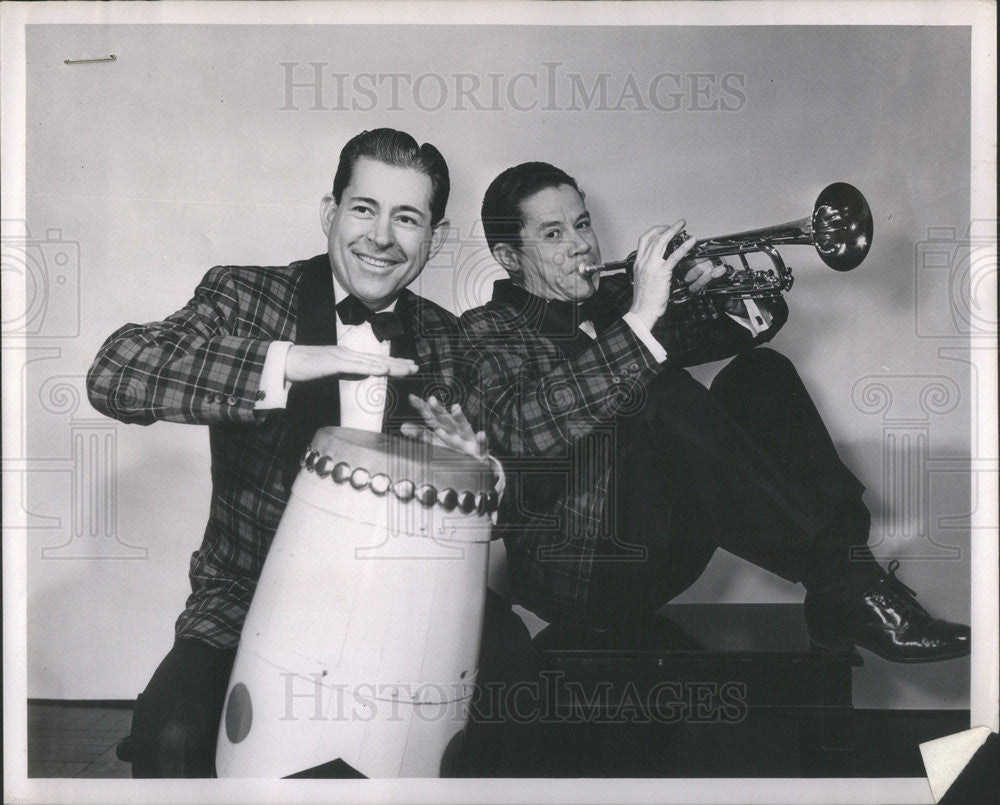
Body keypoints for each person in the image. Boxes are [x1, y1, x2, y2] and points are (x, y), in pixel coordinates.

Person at [86, 129, 535, 777]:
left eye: (406, 217)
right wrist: (287, 362)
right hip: (251, 591)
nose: (381, 235)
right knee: (173, 735)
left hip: (412, 593)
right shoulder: (247, 295)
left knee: (515, 677)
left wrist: (486, 482)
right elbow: (115, 373)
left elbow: (509, 504)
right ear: (331, 213)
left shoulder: (447, 337)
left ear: (431, 238)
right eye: (364, 208)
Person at [457, 160, 970, 663]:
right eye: (552, 234)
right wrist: (640, 319)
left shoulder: (614, 301)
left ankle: (845, 583)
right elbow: (526, 433)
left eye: (582, 223)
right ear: (508, 256)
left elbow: (745, 329)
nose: (581, 245)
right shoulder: (483, 331)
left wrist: (719, 291)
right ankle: (853, 593)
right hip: (579, 570)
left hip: (666, 549)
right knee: (652, 392)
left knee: (760, 375)